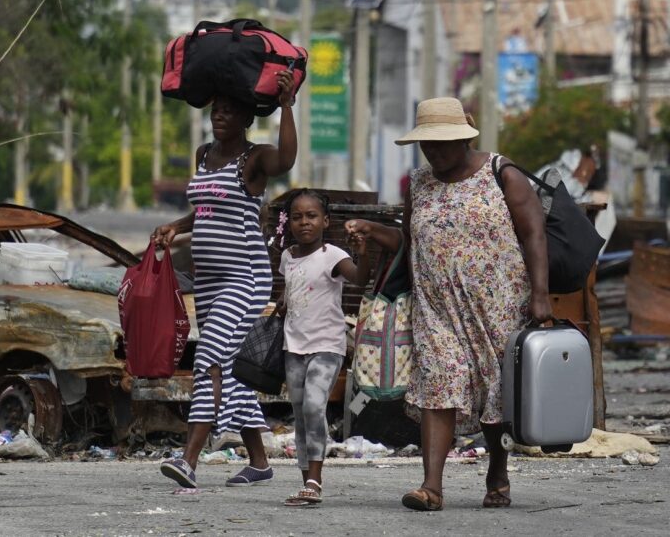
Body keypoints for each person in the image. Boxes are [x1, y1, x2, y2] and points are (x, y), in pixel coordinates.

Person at [345, 97, 552, 511]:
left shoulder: (501, 173)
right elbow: (410, 241)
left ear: (463, 137)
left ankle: (497, 471)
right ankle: (431, 487)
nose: (434, 151)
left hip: (498, 305)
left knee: (494, 390)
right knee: (437, 385)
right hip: (436, 307)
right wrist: (373, 231)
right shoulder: (419, 183)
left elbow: (534, 235)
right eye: (428, 144)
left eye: (442, 143)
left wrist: (541, 296)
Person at [152, 70, 297, 489]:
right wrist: (175, 227)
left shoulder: (254, 160)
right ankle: (259, 462)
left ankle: (189, 460)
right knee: (234, 370)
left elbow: (287, 161)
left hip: (246, 278)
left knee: (209, 357)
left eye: (230, 112)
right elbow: (206, 211)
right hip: (210, 283)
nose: (221, 117)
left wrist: (287, 106)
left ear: (246, 119)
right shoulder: (202, 155)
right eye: (217, 110)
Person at [276, 189, 370, 506]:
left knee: (315, 407)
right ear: (289, 222)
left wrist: (363, 252)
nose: (304, 222)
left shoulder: (333, 255)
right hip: (294, 347)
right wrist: (282, 304)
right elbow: (292, 291)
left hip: (328, 346)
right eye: (298, 216)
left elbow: (358, 279)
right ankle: (308, 484)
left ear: (325, 221)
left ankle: (315, 480)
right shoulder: (287, 256)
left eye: (312, 216)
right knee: (301, 416)